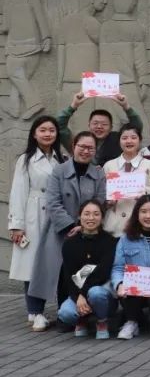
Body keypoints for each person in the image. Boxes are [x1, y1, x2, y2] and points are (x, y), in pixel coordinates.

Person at [36, 131, 106, 332]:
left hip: (88, 230)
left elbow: (100, 201)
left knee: (83, 271)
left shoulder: (98, 174)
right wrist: (69, 226)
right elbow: (53, 202)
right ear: (74, 146)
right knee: (61, 273)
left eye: (90, 148)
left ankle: (84, 314)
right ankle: (64, 314)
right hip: (61, 231)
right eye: (82, 146)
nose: (86, 151)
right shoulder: (59, 171)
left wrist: (84, 224)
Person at [8, 116, 64, 325]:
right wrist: (17, 225)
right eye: (43, 130)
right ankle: (34, 310)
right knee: (32, 263)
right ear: (34, 134)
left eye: (52, 130)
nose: (48, 134)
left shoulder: (60, 159)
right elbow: (18, 193)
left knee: (55, 262)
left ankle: (58, 309)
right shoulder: (26, 160)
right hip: (33, 213)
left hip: (55, 214)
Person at [112, 195, 150, 340]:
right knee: (127, 288)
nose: (148, 216)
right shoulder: (125, 239)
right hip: (133, 292)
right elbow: (118, 267)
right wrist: (119, 284)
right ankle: (131, 322)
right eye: (143, 211)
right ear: (136, 214)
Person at [56, 200, 116, 339]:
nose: (91, 218)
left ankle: (102, 321)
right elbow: (69, 276)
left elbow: (102, 273)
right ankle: (81, 319)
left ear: (102, 217)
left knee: (96, 293)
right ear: (79, 216)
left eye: (96, 214)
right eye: (87, 214)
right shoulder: (70, 244)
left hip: (102, 290)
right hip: (79, 290)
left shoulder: (110, 242)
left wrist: (83, 294)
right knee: (65, 313)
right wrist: (77, 297)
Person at [57, 90, 142, 165]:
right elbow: (59, 126)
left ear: (111, 127)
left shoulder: (119, 140)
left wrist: (126, 106)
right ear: (89, 125)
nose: (99, 127)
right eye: (95, 123)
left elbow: (136, 127)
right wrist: (73, 105)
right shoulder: (79, 141)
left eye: (104, 124)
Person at [103, 123, 150, 237]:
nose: (129, 141)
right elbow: (101, 193)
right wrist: (108, 201)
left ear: (140, 140)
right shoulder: (109, 166)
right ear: (119, 141)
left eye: (133, 137)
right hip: (113, 226)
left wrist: (145, 193)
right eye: (124, 138)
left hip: (140, 225)